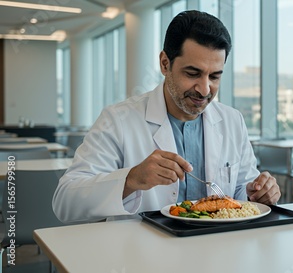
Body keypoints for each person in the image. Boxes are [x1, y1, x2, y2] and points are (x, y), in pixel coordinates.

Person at [53, 10, 281, 223]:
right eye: (193, 73)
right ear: (165, 63)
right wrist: (132, 179)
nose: (204, 89)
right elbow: (65, 202)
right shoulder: (118, 120)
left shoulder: (233, 121)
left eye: (214, 77)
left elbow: (241, 190)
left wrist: (257, 193)